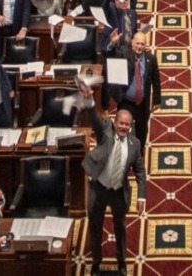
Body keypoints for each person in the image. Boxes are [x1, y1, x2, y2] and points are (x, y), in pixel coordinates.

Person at [79, 82, 146, 275]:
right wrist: (89, 100)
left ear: (130, 126)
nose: (123, 127)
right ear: (115, 123)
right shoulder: (105, 134)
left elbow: (140, 172)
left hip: (118, 192)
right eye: (121, 123)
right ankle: (96, 263)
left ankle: (121, 262)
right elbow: (94, 118)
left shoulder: (135, 144)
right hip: (98, 190)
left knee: (120, 229)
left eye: (127, 124)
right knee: (95, 228)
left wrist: (142, 197)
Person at [106, 28, 161, 147]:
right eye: (137, 43)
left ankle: (139, 154)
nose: (140, 47)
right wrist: (113, 43)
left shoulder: (151, 59)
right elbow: (111, 55)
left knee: (141, 131)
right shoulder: (125, 54)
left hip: (142, 102)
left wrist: (157, 100)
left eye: (142, 44)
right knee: (122, 127)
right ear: (132, 43)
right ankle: (120, 150)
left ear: (146, 45)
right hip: (126, 101)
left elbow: (156, 79)